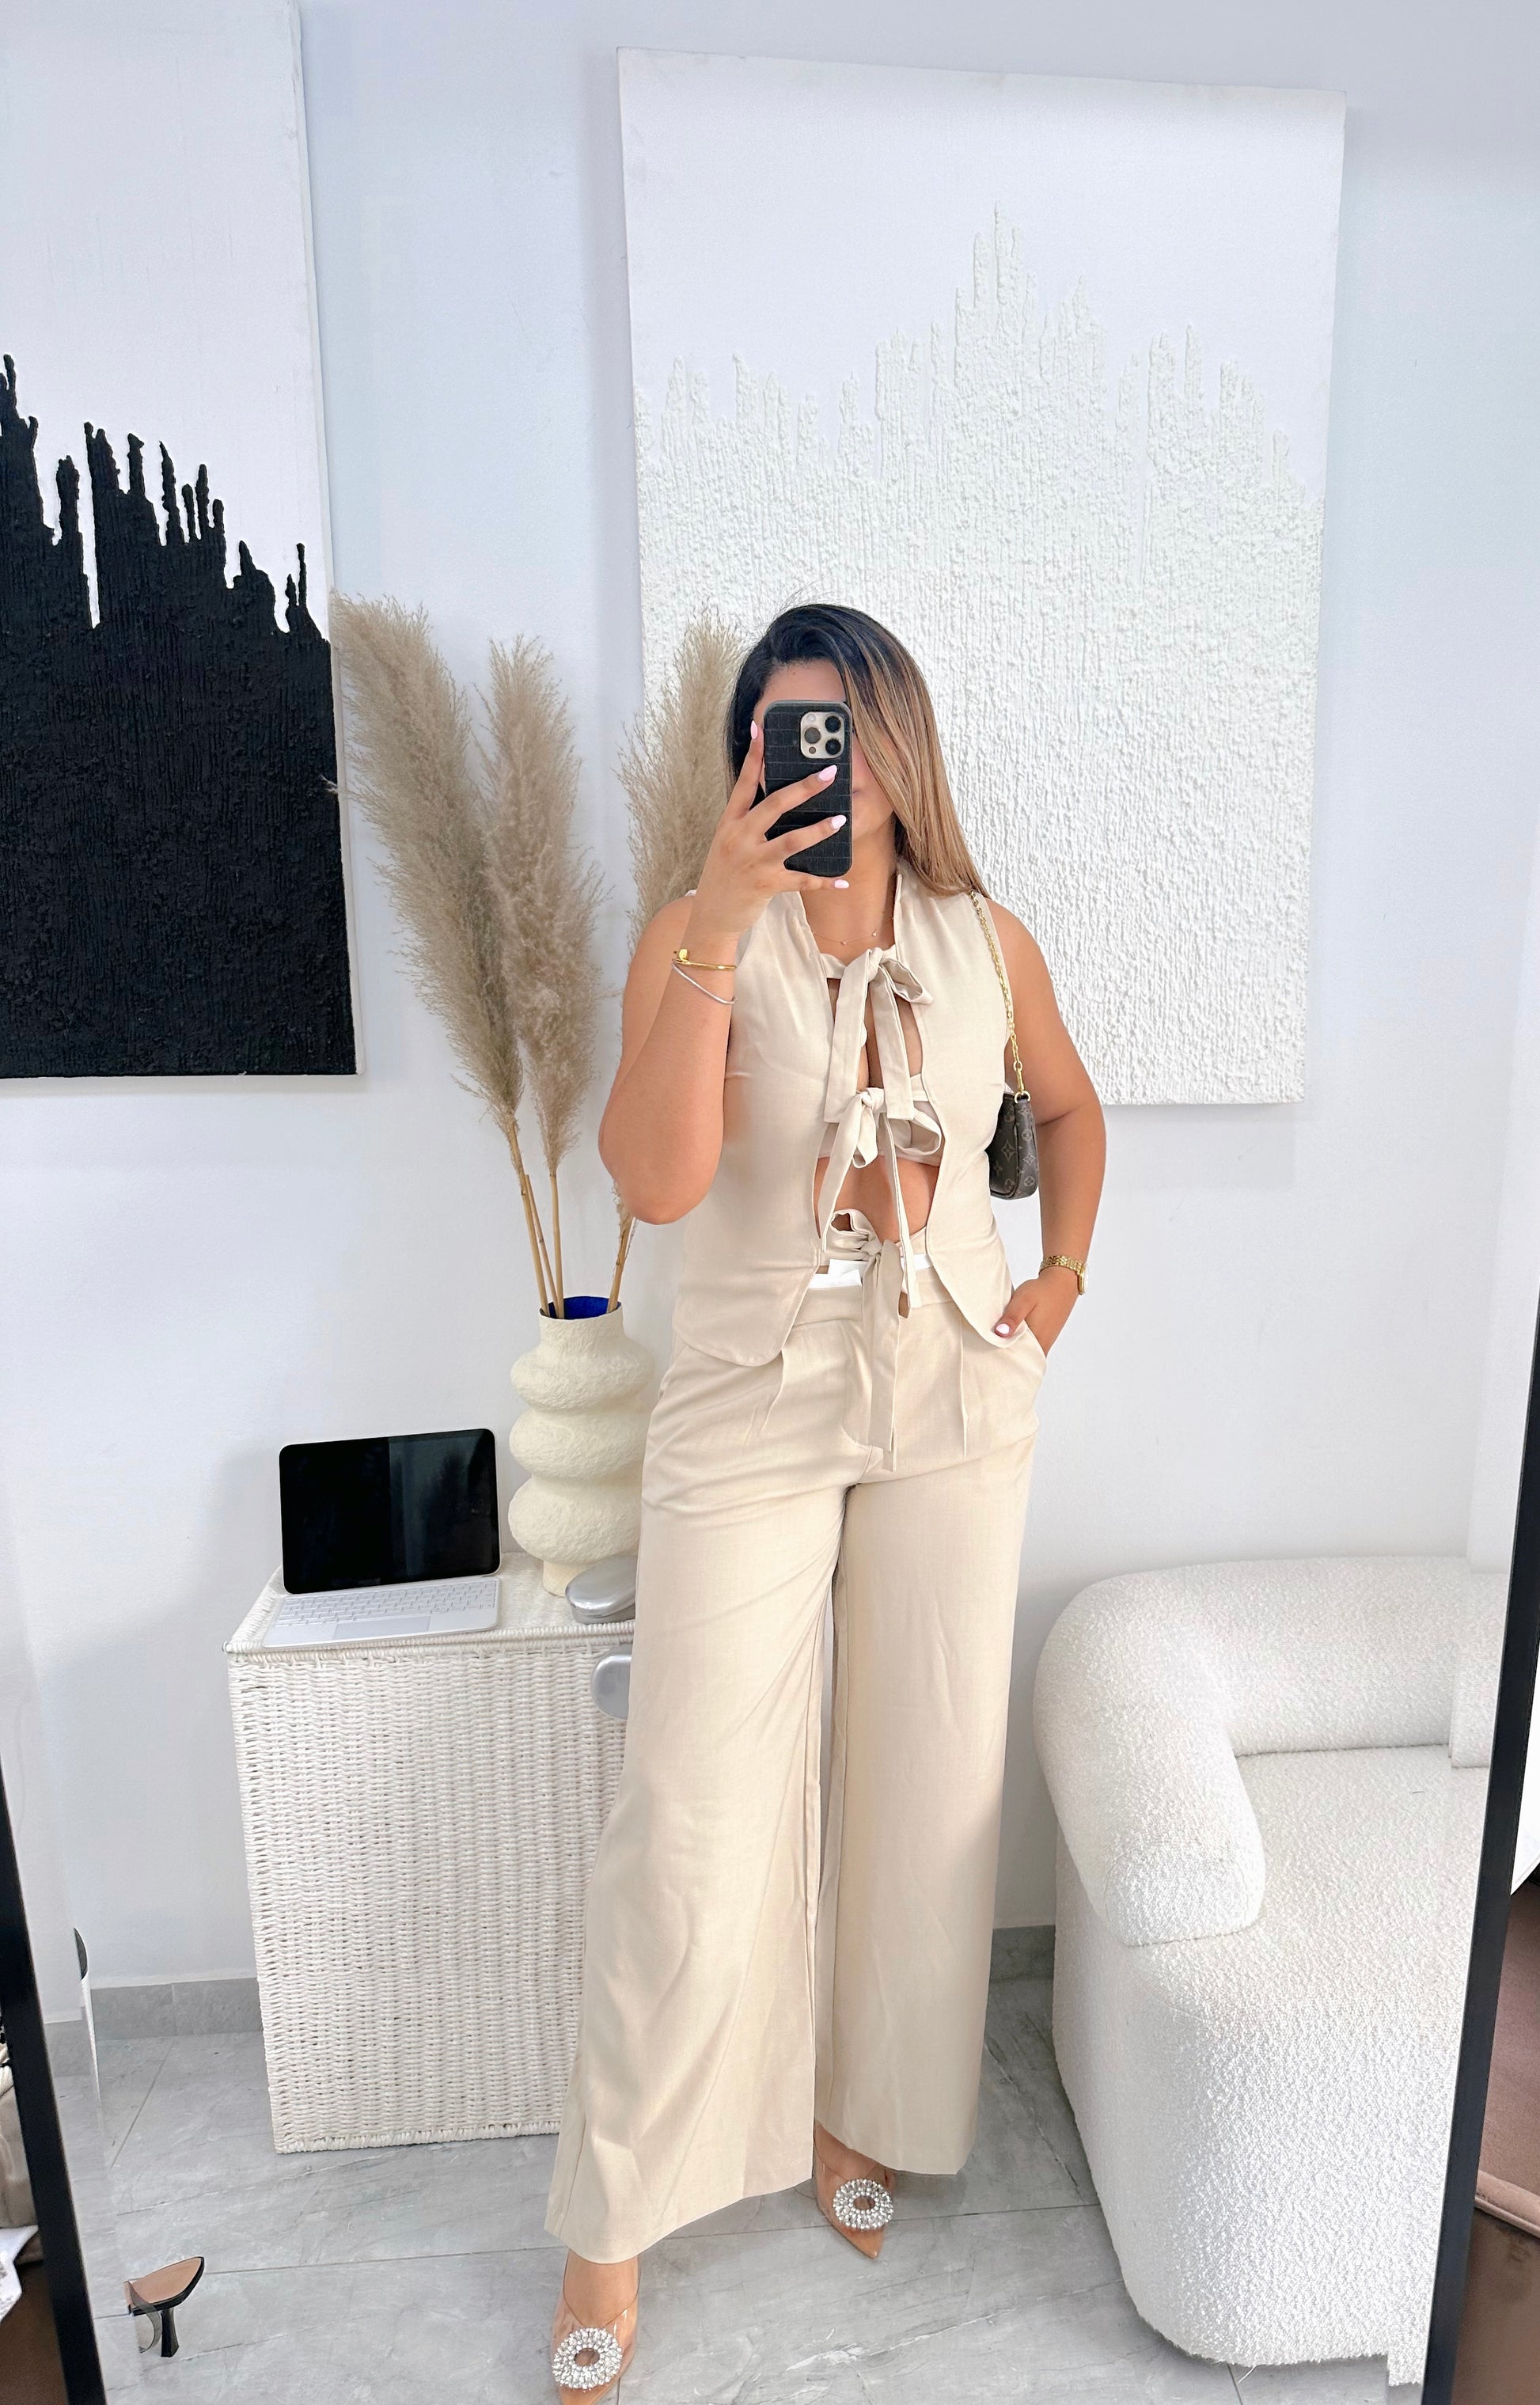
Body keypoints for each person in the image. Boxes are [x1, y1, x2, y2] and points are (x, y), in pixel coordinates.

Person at [545, 603, 1105, 2398]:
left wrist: (1053, 1287)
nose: (824, 766)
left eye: (850, 731)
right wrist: (717, 926)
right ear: (746, 767)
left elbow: (1070, 1113)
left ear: (902, 749)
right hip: (749, 1405)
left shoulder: (985, 940)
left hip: (954, 1393)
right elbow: (653, 1183)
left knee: (922, 1779)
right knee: (692, 1814)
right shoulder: (691, 933)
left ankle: (855, 2114)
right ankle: (614, 2214)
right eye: (787, 736)